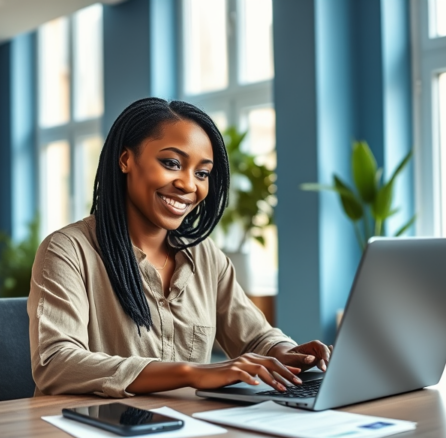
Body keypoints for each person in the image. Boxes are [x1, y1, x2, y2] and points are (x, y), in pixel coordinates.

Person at [28, 98, 332, 398]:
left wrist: (289, 355)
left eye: (202, 173)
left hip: (185, 431)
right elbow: (56, 362)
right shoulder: (68, 250)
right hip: (89, 434)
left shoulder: (204, 255)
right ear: (125, 160)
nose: (188, 185)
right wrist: (192, 372)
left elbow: (255, 336)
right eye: (171, 163)